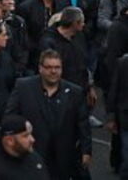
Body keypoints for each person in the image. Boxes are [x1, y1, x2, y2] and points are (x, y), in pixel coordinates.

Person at [5, 49, 91, 179]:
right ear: (40, 68)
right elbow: (10, 117)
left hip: (63, 157)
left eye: (57, 67)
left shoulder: (75, 92)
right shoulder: (23, 87)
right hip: (32, 153)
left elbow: (83, 123)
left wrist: (86, 150)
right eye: (49, 67)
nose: (53, 71)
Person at [0, 115, 51, 179]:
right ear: (10, 140)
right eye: (25, 136)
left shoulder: (34, 158)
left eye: (30, 134)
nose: (32, 139)